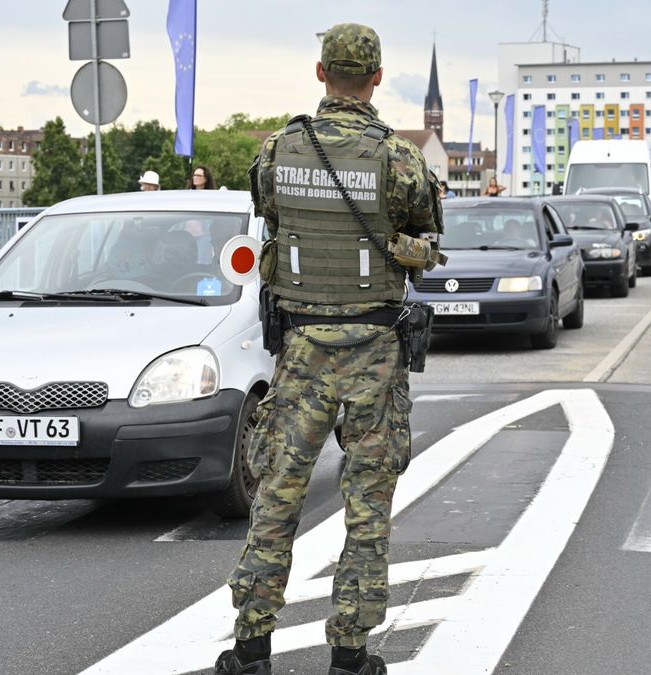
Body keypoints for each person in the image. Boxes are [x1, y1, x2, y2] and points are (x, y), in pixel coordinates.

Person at [214, 23, 443, 675]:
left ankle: (251, 646)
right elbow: (425, 232)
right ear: (375, 78)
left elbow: (271, 217)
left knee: (277, 494)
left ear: (320, 74)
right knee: (367, 502)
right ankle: (350, 653)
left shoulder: (280, 148)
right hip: (373, 349)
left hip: (303, 348)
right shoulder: (398, 156)